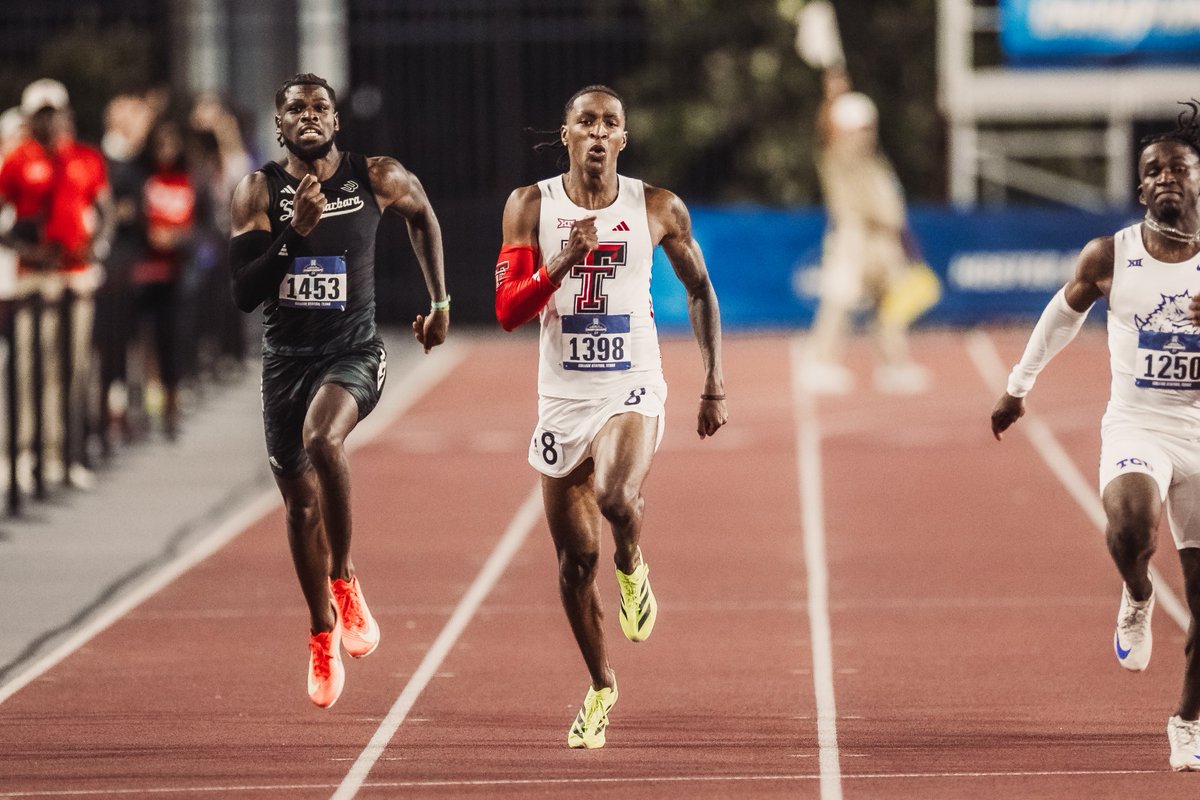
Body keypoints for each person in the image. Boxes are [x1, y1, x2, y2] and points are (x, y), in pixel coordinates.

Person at [494, 85, 728, 749]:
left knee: (617, 497)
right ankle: (601, 686)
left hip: (632, 382)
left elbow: (699, 290)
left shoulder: (654, 206)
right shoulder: (530, 205)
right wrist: (560, 263)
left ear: (623, 139)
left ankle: (633, 563)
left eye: (610, 124)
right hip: (562, 398)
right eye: (586, 122)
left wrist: (713, 383)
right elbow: (509, 311)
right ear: (565, 133)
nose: (598, 133)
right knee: (573, 565)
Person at [228, 73, 449, 709]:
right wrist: (292, 234)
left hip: (353, 353)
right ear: (279, 126)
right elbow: (244, 295)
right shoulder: (257, 192)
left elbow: (424, 217)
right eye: (295, 109)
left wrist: (439, 300)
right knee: (300, 508)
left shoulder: (374, 176)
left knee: (324, 438)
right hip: (286, 363)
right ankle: (321, 631)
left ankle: (344, 576)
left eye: (319, 107)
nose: (309, 116)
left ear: (336, 120)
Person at [992, 105, 1200, 772]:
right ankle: (1137, 593)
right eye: (1152, 171)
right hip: (1139, 424)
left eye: (1178, 168)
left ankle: (1189, 724)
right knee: (1132, 524)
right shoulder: (1111, 255)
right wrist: (1018, 386)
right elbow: (1061, 316)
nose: (1164, 177)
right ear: (1139, 188)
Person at [0, 78, 113, 489]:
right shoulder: (16, 160)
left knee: (71, 370)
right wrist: (26, 251)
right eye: (41, 115)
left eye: (54, 113)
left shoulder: (84, 157)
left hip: (75, 276)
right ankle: (23, 455)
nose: (49, 122)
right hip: (35, 278)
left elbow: (105, 211)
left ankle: (62, 455)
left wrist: (95, 245)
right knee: (30, 369)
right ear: (30, 119)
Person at [800, 62, 937, 395]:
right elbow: (826, 135)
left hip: (884, 242)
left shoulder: (876, 159)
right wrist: (834, 98)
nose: (865, 133)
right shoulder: (839, 156)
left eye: (867, 127)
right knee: (840, 300)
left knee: (892, 305)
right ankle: (820, 363)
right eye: (858, 127)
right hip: (855, 237)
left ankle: (893, 365)